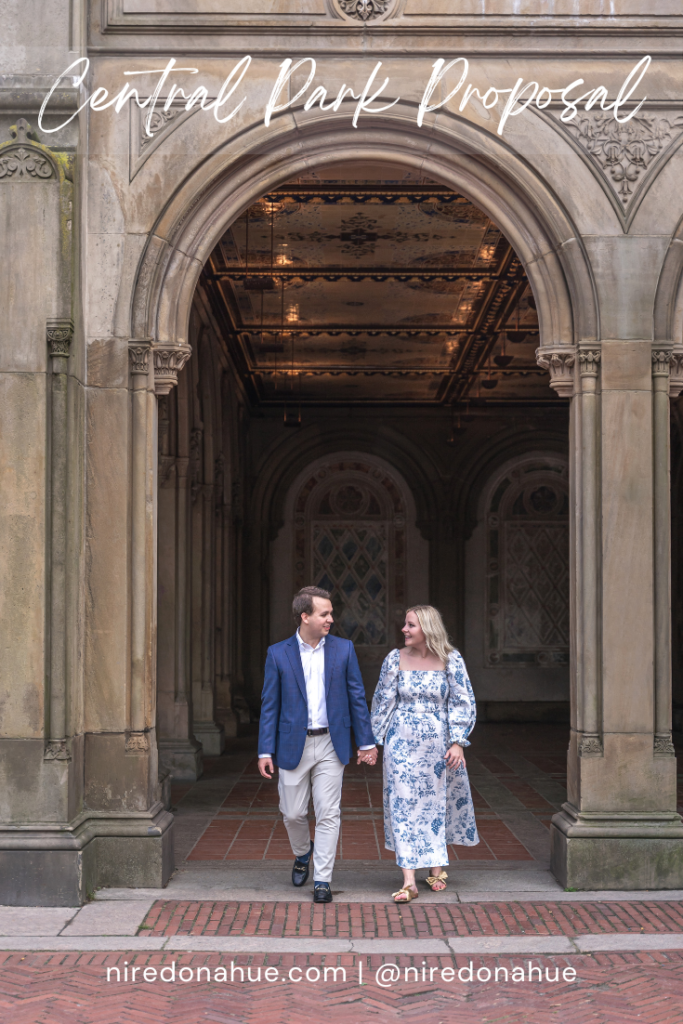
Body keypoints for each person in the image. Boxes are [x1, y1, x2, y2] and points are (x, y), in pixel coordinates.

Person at [258, 586, 378, 904]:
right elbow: (269, 705)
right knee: (293, 813)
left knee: (328, 813)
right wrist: (264, 750)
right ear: (305, 616)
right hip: (291, 744)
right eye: (324, 613)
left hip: (330, 742)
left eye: (330, 613)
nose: (331, 619)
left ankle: (322, 879)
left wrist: (366, 742)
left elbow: (356, 697)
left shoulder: (343, 649)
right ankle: (302, 853)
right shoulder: (278, 653)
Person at [371, 605, 479, 903]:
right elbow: (382, 702)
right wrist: (373, 742)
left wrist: (458, 741)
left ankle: (436, 866)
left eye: (410, 625)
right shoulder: (395, 659)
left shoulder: (451, 659)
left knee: (436, 803)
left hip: (439, 743)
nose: (404, 630)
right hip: (401, 743)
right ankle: (408, 880)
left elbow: (462, 701)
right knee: (402, 806)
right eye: (405, 625)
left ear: (427, 629)